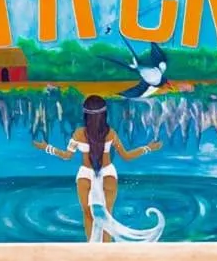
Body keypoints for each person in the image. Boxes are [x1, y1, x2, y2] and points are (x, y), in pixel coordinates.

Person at [33, 94, 162, 242]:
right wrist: (148, 148)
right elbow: (126, 156)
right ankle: (105, 248)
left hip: (88, 174)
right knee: (107, 215)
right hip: (106, 174)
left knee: (88, 214)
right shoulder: (109, 133)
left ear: (85, 114)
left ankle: (93, 248)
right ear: (104, 114)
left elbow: (67, 156)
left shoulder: (80, 134)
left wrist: (47, 148)